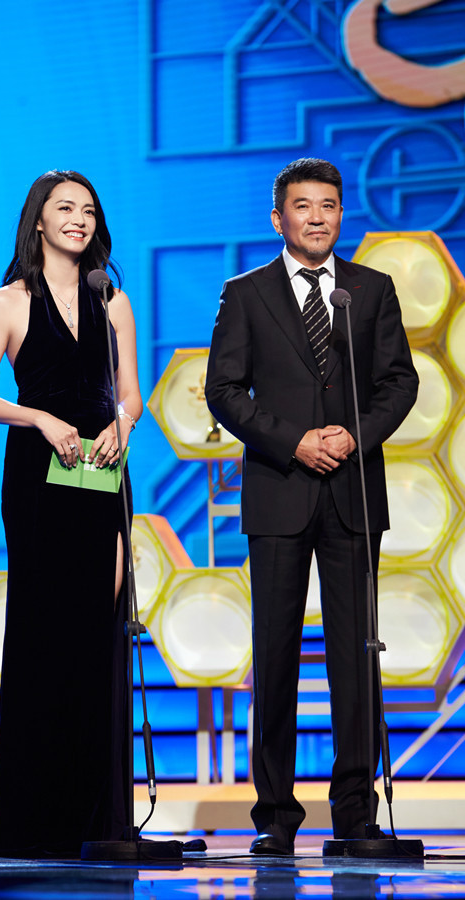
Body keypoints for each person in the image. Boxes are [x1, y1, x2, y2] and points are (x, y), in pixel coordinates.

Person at [205, 158, 418, 855]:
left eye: (329, 205)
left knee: (357, 655)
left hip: (353, 492)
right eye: (303, 206)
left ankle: (355, 813)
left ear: (341, 214)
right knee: (276, 655)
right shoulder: (245, 293)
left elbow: (399, 382)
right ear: (279, 218)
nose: (317, 217)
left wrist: (352, 435)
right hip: (279, 490)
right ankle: (274, 816)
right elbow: (223, 391)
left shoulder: (370, 290)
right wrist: (294, 441)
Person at [0, 170, 142, 858]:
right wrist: (38, 416)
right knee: (44, 635)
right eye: (65, 208)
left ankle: (98, 817)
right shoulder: (6, 302)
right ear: (37, 219)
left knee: (99, 632)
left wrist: (122, 425)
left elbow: (130, 395)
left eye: (88, 210)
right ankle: (33, 820)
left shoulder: (113, 301)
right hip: (38, 480)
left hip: (101, 474)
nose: (79, 219)